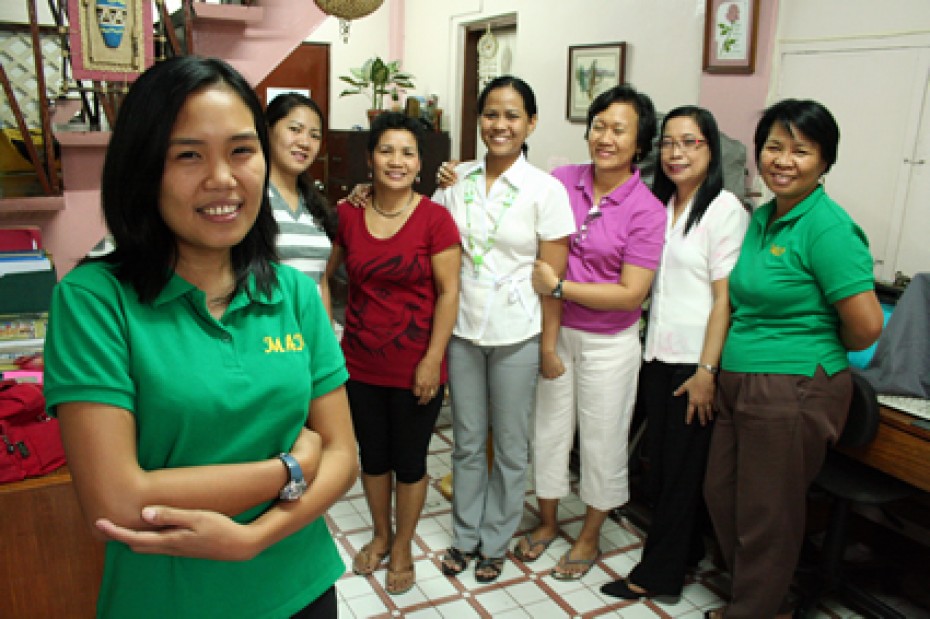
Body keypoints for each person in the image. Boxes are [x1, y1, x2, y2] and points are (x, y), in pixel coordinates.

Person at [42, 56, 358, 619]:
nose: (223, 179)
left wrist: (255, 537)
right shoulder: (93, 303)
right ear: (144, 169)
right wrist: (288, 468)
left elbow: (343, 455)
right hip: (170, 599)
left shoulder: (293, 294)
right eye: (189, 155)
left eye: (241, 150)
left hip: (301, 586)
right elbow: (114, 499)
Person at [703, 99, 884, 619]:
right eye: (774, 147)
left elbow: (867, 326)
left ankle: (758, 610)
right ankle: (753, 589)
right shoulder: (764, 216)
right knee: (723, 494)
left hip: (793, 385)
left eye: (800, 150)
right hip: (741, 380)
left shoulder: (826, 228)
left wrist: (813, 348)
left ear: (825, 162)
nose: (783, 160)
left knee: (767, 512)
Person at [599, 106, 749, 599]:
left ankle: (658, 577)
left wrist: (708, 370)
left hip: (694, 361)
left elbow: (724, 298)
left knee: (681, 474)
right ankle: (685, 554)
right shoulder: (658, 205)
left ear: (712, 149)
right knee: (661, 466)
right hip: (657, 355)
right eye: (668, 142)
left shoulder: (724, 209)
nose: (676, 153)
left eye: (690, 142)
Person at [433, 76, 575, 583]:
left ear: (530, 123)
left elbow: (552, 282)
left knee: (511, 444)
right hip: (463, 327)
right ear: (479, 120)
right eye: (491, 114)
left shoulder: (547, 190)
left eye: (512, 116)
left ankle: (495, 540)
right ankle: (464, 536)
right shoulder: (455, 181)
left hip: (518, 330)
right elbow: (435, 249)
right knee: (468, 440)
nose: (500, 125)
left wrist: (549, 346)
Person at [522, 85, 666, 580]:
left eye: (619, 129)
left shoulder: (647, 209)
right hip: (555, 333)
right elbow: (515, 196)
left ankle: (588, 536)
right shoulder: (561, 181)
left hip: (610, 344)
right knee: (549, 431)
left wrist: (561, 286)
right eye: (599, 125)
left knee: (603, 440)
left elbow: (631, 294)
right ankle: (545, 523)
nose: (605, 137)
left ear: (640, 143)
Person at [321, 112, 461, 595]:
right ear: (370, 159)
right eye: (386, 151)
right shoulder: (347, 215)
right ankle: (380, 535)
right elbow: (321, 275)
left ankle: (403, 545)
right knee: (373, 457)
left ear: (420, 163)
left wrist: (431, 359)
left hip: (416, 365)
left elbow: (449, 293)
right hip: (358, 363)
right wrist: (327, 336)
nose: (396, 161)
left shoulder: (436, 220)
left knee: (411, 460)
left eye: (407, 152)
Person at [265, 93, 336, 302]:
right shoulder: (252, 199)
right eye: (294, 130)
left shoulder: (314, 204)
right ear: (267, 131)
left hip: (309, 329)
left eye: (314, 135)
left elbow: (321, 282)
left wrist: (326, 334)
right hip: (270, 331)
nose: (305, 142)